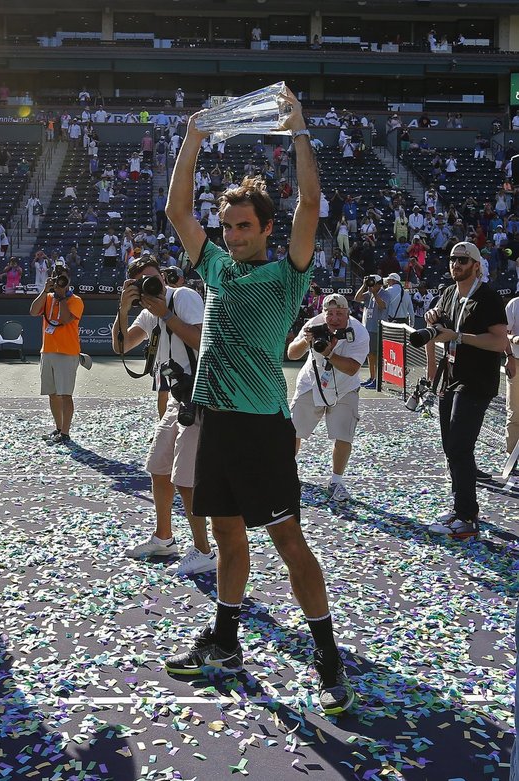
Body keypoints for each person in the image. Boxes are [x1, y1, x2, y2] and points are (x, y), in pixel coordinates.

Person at [163, 88, 355, 715]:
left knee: (288, 541)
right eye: (229, 227)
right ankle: (225, 641)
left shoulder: (288, 272)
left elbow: (310, 205)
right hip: (215, 423)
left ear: (266, 228)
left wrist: (299, 131)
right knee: (224, 532)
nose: (234, 235)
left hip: (261, 429)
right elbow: (176, 210)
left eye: (245, 226)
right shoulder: (215, 267)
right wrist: (193, 136)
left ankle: (327, 653)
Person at [112, 257, 213, 575]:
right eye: (142, 282)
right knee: (158, 468)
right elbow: (122, 346)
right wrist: (123, 310)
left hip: (201, 398)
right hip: (178, 399)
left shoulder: (182, 297)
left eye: (154, 277)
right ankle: (164, 537)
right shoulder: (146, 311)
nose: (152, 285)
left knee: (184, 479)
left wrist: (165, 314)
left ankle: (203, 551)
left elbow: (202, 341)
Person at [423, 241, 508, 539]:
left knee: (460, 446)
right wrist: (432, 318)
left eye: (462, 260)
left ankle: (468, 517)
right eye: (452, 259)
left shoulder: (488, 297)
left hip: (476, 381)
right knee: (451, 447)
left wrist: (459, 336)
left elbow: (500, 342)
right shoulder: (447, 292)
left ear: (476, 265)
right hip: (450, 377)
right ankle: (460, 507)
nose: (455, 264)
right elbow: (439, 326)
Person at [286, 294, 371, 503]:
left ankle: (336, 480)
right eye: (329, 313)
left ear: (347, 314)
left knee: (344, 435)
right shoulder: (314, 325)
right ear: (323, 314)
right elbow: (291, 354)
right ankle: (285, 473)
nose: (334, 318)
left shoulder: (358, 332)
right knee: (292, 431)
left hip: (345, 388)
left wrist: (330, 354)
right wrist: (307, 341)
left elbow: (352, 369)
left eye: (339, 314)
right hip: (312, 383)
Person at [29, 267, 84, 444]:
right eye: (58, 278)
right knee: (52, 394)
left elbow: (66, 319)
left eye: (64, 279)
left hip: (67, 352)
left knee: (65, 394)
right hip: (48, 350)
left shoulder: (76, 300)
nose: (60, 282)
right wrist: (46, 291)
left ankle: (66, 432)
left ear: (69, 282)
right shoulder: (48, 298)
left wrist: (61, 298)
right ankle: (59, 428)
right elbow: (33, 311)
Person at [354, 274, 386, 387]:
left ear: (378, 284)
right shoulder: (368, 294)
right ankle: (372, 377)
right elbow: (357, 298)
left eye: (372, 283)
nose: (370, 286)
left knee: (376, 355)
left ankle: (377, 380)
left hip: (376, 329)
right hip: (367, 328)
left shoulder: (384, 293)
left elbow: (382, 306)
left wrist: (375, 293)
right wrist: (364, 285)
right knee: (369, 355)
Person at [506, 293, 519, 458]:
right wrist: (514, 338)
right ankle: (512, 455)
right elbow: (503, 333)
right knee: (514, 411)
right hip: (516, 362)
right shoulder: (514, 304)